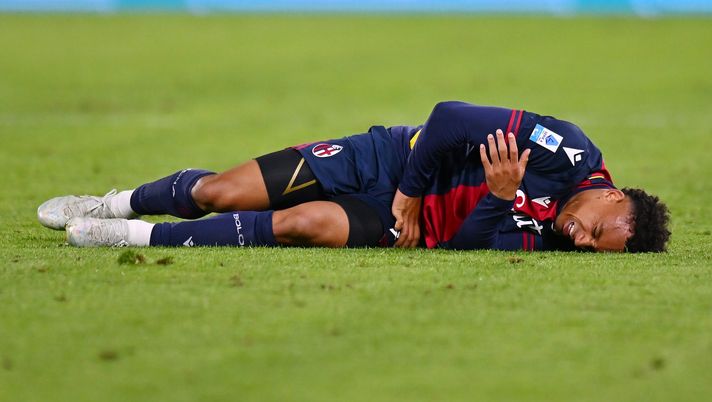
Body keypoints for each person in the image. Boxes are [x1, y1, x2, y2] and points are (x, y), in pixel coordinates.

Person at [37, 101, 670, 252]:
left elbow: (468, 246)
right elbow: (449, 119)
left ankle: (131, 236)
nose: (581, 241)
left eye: (594, 250)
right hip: (391, 163)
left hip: (407, 228)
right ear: (611, 195)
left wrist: (499, 201)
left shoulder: (559, 234)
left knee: (304, 224)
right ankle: (114, 201)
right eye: (597, 230)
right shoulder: (564, 150)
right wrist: (413, 189)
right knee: (216, 191)